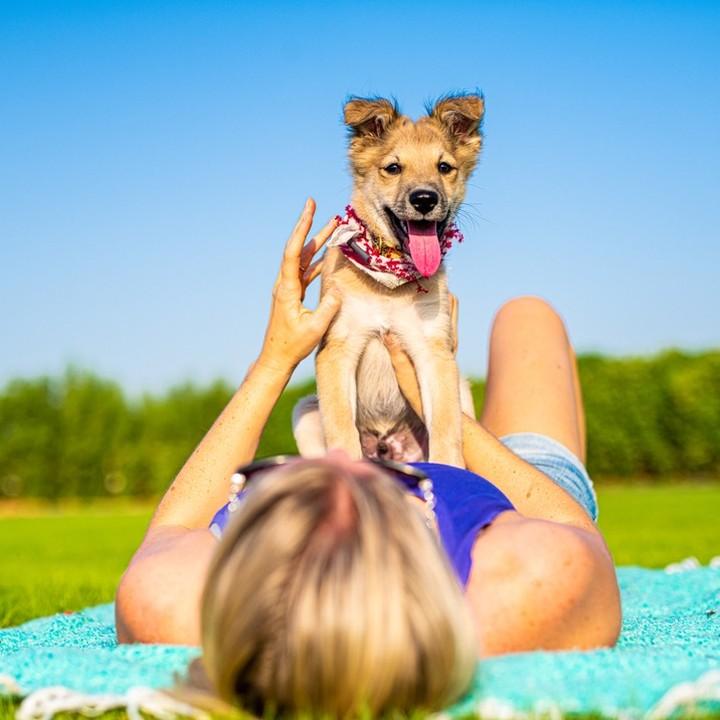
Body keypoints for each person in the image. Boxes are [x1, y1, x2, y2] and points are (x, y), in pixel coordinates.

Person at [115, 198, 622, 717]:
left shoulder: (177, 606)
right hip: (504, 477)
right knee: (528, 316)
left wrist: (276, 359)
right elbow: (576, 530)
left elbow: (172, 527)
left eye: (275, 480)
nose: (341, 456)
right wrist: (437, 405)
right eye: (370, 488)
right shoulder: (527, 579)